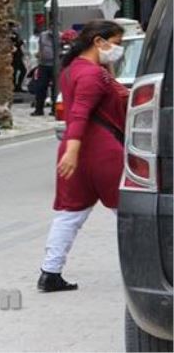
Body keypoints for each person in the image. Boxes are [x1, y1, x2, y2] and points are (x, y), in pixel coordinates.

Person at [37, 20, 128, 292]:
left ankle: (50, 272)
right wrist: (74, 150)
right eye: (117, 43)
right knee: (129, 213)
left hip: (74, 151)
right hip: (102, 151)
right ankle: (143, 272)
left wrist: (71, 151)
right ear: (99, 42)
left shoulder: (73, 70)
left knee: (69, 214)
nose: (118, 49)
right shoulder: (92, 75)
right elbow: (80, 114)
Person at [33, 30, 56, 116]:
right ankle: (39, 109)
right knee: (41, 87)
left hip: (55, 65)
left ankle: (54, 109)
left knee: (55, 88)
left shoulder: (61, 36)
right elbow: (40, 47)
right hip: (43, 64)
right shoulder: (43, 35)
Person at [11, 24, 27, 92]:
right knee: (15, 71)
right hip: (15, 56)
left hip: (18, 55)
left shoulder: (16, 34)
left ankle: (18, 86)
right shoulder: (11, 35)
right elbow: (15, 43)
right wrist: (22, 42)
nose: (17, 28)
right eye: (15, 26)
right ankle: (15, 86)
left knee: (22, 70)